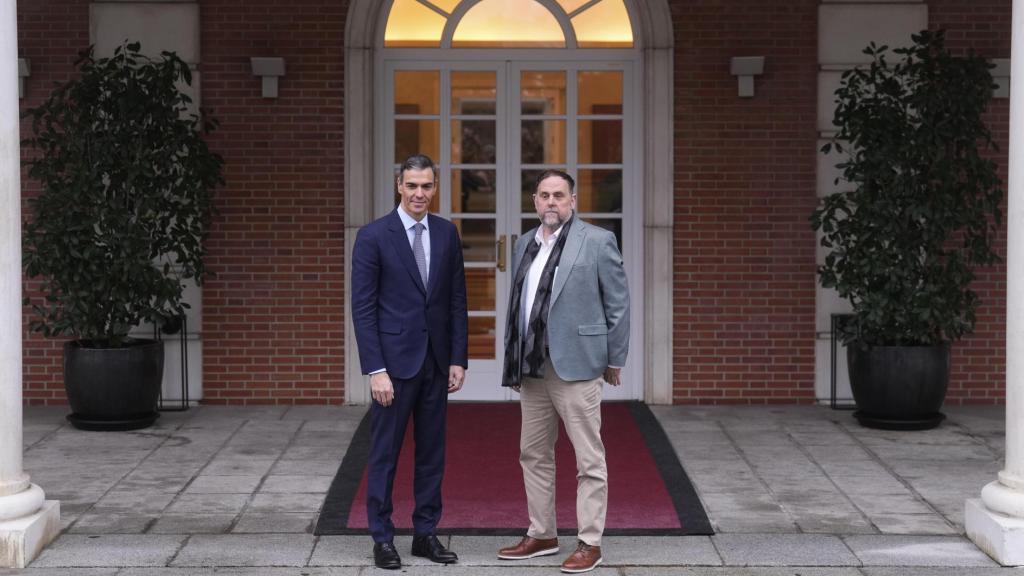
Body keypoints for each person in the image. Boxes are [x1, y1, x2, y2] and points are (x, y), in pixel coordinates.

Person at [497, 170, 630, 574]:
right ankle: (542, 533)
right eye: (544, 196)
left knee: (589, 458)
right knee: (532, 453)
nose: (551, 202)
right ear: (535, 202)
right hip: (533, 367)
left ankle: (590, 542)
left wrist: (615, 359)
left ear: (573, 201)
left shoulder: (597, 240)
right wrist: (513, 358)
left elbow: (618, 304)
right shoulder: (524, 244)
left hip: (577, 364)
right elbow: (518, 305)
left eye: (559, 195)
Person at [350, 154, 468, 570]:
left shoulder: (447, 234)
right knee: (385, 453)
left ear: (435, 188)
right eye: (412, 185)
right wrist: (375, 369)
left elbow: (456, 300)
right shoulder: (373, 236)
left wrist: (457, 357)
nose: (420, 193)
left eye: (428, 186)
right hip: (393, 369)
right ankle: (382, 538)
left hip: (436, 363)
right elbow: (363, 309)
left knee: (431, 454)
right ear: (399, 185)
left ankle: (425, 533)